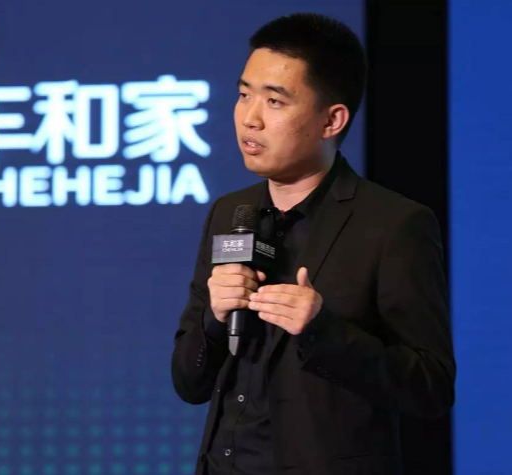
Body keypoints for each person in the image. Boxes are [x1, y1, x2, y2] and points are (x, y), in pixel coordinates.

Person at [170, 12, 455, 475]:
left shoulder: (393, 224)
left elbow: (430, 388)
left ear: (332, 119)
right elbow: (189, 383)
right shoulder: (230, 212)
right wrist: (214, 320)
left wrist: (323, 331)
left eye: (274, 101)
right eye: (243, 95)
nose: (250, 118)